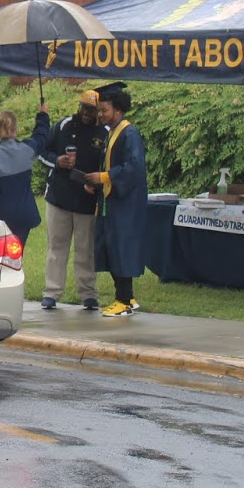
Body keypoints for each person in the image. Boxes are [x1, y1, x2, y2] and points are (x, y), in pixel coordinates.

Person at [36, 89, 109, 310]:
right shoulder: (64, 125)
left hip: (87, 200)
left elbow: (107, 167)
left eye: (92, 110)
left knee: (85, 250)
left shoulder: (104, 132)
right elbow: (41, 152)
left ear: (98, 111)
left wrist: (96, 185)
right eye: (84, 108)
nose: (86, 113)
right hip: (59, 197)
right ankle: (52, 292)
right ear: (79, 106)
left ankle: (88, 294)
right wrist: (57, 161)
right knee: (56, 247)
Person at [81, 83, 148, 317]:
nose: (100, 114)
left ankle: (124, 300)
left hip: (125, 202)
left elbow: (134, 168)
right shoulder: (111, 132)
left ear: (118, 110)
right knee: (111, 248)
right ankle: (127, 297)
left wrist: (106, 177)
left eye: (104, 110)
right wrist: (96, 182)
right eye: (99, 110)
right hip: (111, 200)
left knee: (121, 249)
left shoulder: (129, 133)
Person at [0, 103, 51, 252]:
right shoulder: (27, 149)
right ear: (15, 130)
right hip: (23, 215)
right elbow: (41, 136)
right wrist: (43, 115)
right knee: (16, 255)